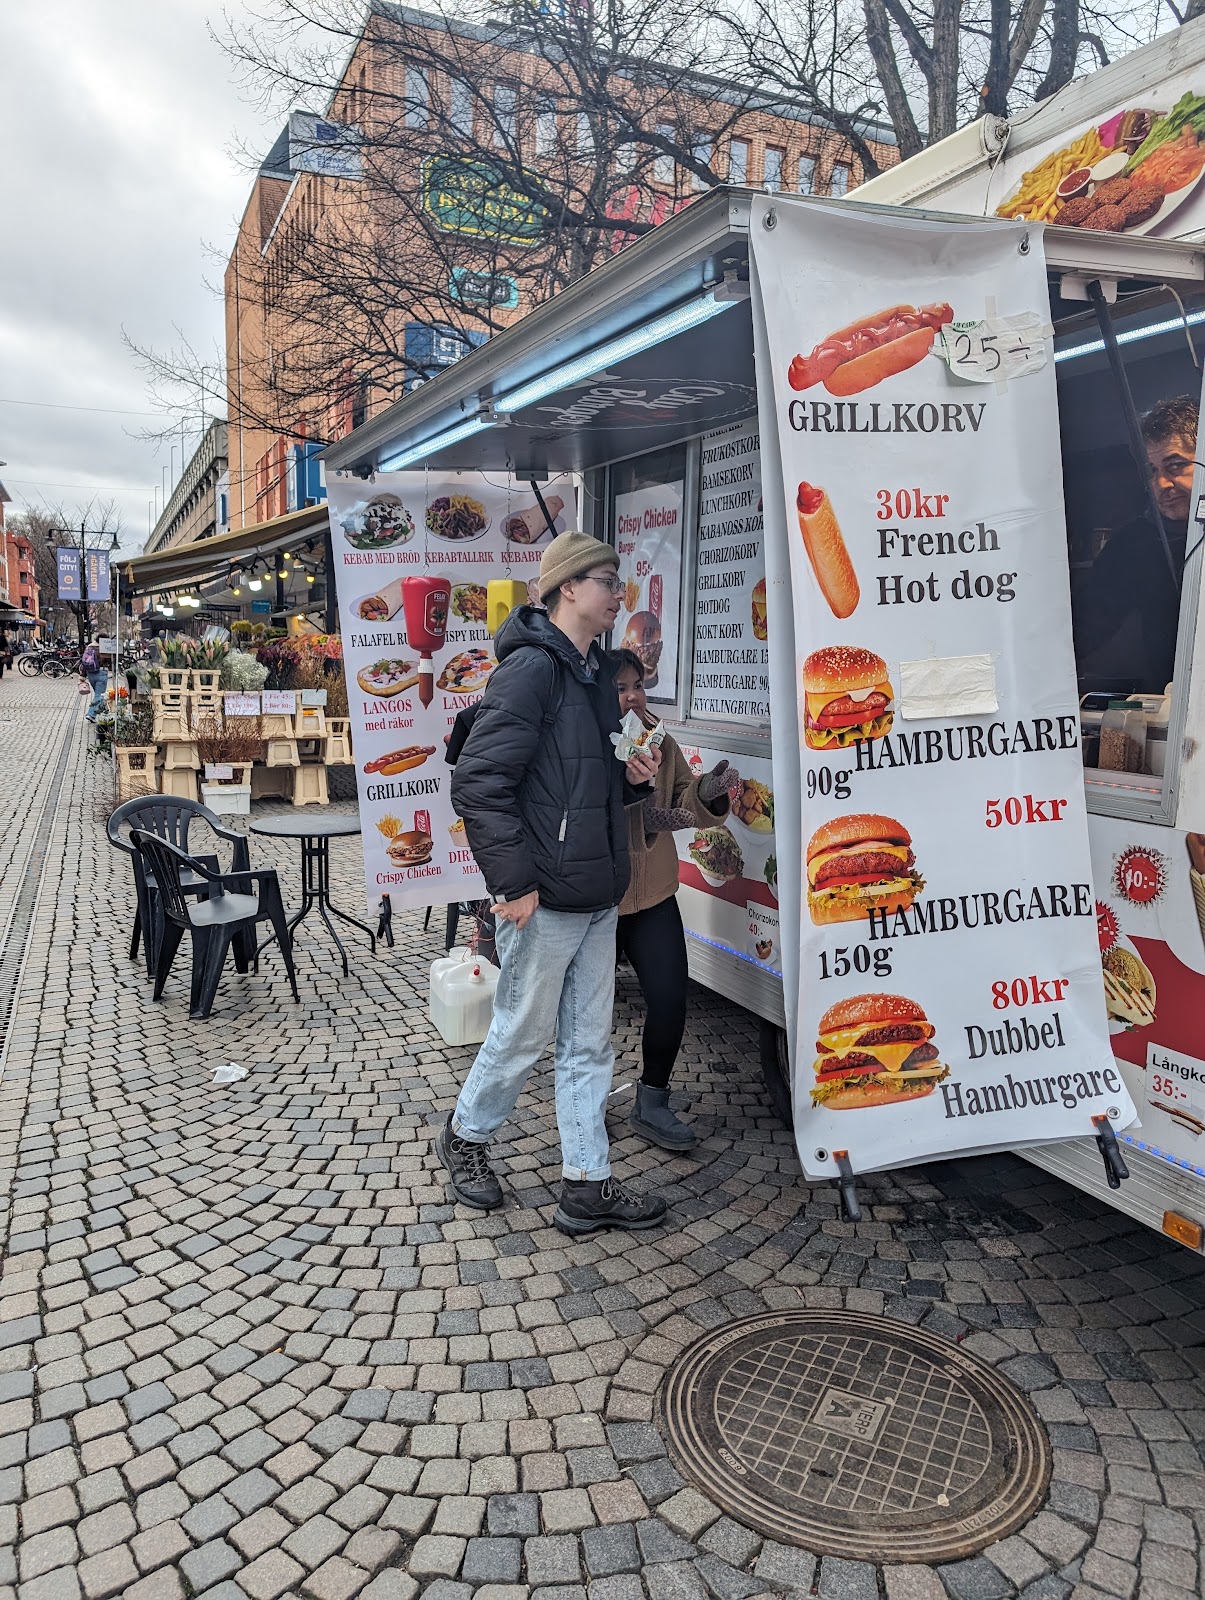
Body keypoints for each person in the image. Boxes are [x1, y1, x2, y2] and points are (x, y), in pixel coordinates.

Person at [441, 530, 666, 1237]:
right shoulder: (531, 671)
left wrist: (631, 784)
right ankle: (465, 1137)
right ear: (567, 587)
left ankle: (586, 1185)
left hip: (597, 891)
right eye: (607, 581)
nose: (619, 593)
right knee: (522, 1032)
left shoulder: (594, 671)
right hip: (543, 894)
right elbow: (479, 783)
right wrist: (511, 884)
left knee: (589, 1045)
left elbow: (581, 784)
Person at [611, 649, 741, 1149]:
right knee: (588, 1012)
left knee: (668, 998)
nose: (632, 697)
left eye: (638, 686)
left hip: (655, 894)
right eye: (620, 689)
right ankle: (582, 1104)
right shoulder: (587, 740)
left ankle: (653, 1100)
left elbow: (686, 795)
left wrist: (710, 791)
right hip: (599, 900)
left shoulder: (659, 739)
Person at [1073, 395, 1197, 693]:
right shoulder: (1132, 545)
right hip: (1171, 705)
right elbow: (1083, 630)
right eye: (1152, 471)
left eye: (1175, 465)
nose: (1162, 483)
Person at [80, 639, 107, 721]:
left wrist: (83, 676)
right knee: (99, 695)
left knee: (98, 695)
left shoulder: (89, 647)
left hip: (90, 674)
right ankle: (91, 714)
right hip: (101, 673)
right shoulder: (104, 647)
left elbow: (84, 662)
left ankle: (101, 713)